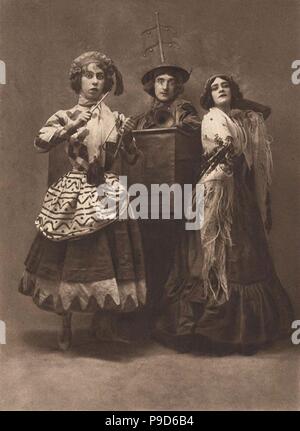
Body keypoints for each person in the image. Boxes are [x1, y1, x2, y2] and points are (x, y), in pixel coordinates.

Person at [155, 74, 293, 355]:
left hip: (236, 191)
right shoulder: (213, 118)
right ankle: (210, 331)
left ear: (233, 91)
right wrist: (239, 114)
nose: (220, 90)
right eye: (214, 88)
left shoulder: (236, 118)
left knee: (242, 253)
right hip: (215, 191)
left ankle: (238, 331)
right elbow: (227, 146)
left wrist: (240, 107)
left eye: (224, 86)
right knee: (213, 252)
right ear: (208, 97)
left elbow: (263, 113)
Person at [19, 51, 146, 350]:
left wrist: (127, 139)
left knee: (110, 256)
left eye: (100, 76)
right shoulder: (65, 114)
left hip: (108, 190)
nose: (95, 82)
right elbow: (40, 142)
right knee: (68, 258)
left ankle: (105, 325)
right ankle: (66, 326)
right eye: (89, 75)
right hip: (76, 189)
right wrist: (70, 129)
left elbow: (132, 157)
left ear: (107, 83)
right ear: (78, 80)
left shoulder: (116, 118)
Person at [133, 64, 202, 322]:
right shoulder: (142, 117)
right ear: (152, 85)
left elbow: (195, 128)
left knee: (175, 252)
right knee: (149, 251)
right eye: (159, 81)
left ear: (177, 86)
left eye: (170, 81)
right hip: (146, 196)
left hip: (176, 194)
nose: (164, 86)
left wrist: (175, 120)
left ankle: (170, 316)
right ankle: (148, 313)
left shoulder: (185, 111)